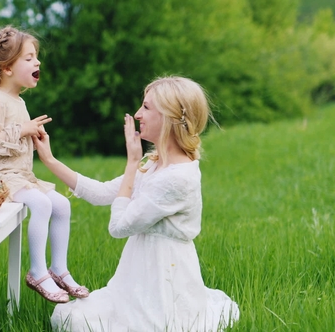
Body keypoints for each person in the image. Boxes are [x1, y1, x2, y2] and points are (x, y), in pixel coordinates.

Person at [32, 76, 240, 331]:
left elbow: (119, 227)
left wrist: (132, 164)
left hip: (164, 283)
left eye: (147, 107)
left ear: (170, 117)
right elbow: (100, 193)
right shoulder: (154, 164)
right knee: (73, 318)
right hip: (136, 277)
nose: (138, 114)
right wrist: (50, 160)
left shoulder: (177, 178)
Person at [0, 26, 89, 303]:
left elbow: (16, 138)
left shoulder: (18, 101)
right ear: (8, 68)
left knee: (63, 205)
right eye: (29, 58)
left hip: (20, 175)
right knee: (42, 204)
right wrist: (23, 130)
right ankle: (36, 271)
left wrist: (33, 137)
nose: (38, 62)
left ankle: (58, 268)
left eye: (36, 57)